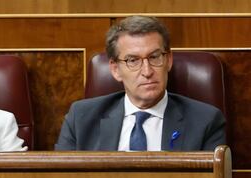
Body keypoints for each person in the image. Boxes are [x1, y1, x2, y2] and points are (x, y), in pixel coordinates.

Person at [55, 15, 225, 151]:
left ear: (169, 60)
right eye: (133, 60)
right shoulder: (82, 118)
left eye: (154, 57)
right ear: (115, 69)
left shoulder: (205, 121)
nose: (147, 71)